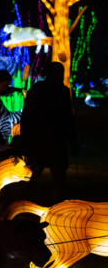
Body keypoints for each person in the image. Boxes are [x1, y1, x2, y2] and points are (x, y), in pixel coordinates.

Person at [19, 62, 78, 204]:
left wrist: (25, 139)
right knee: (58, 179)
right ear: (61, 74)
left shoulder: (36, 89)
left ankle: (25, 204)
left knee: (31, 176)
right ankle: (56, 207)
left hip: (37, 140)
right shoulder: (62, 91)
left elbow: (26, 116)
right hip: (56, 141)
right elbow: (68, 118)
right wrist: (74, 143)